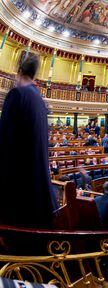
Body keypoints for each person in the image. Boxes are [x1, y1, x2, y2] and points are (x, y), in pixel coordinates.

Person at [0, 54, 58, 228]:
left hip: (19, 198)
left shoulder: (17, 94)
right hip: (40, 199)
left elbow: (4, 143)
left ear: (18, 71)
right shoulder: (40, 101)